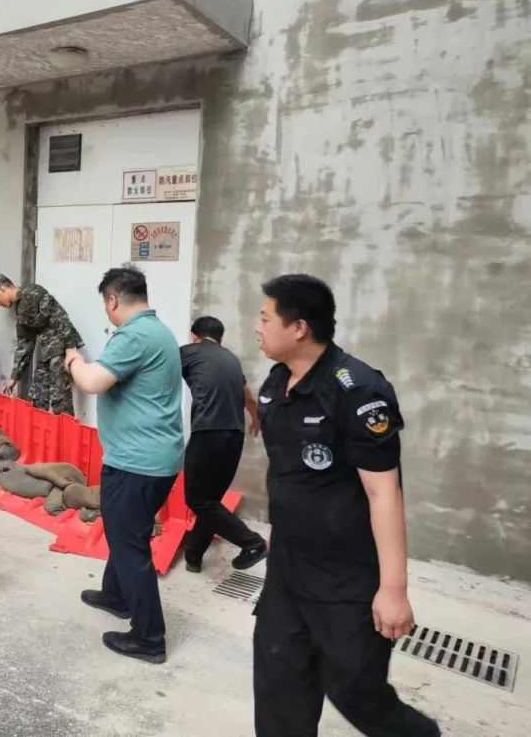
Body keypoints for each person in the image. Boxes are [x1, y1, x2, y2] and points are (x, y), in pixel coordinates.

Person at [252, 274, 439, 737]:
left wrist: (393, 589)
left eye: (265, 318)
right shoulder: (277, 383)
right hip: (287, 575)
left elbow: (383, 493)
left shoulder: (358, 391)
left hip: (345, 581)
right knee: (279, 692)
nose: (257, 327)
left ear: (298, 327)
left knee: (359, 696)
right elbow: (290, 479)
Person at [63, 266, 183, 664]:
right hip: (149, 458)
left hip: (137, 462)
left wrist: (74, 361)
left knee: (129, 544)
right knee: (125, 531)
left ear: (113, 300)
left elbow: (92, 381)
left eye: (105, 304)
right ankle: (116, 595)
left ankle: (150, 638)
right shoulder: (158, 331)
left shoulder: (135, 335)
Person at [179, 315, 267, 573]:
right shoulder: (231, 359)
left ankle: (252, 543)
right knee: (211, 500)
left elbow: (157, 368)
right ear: (221, 338)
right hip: (234, 435)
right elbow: (246, 395)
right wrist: (255, 417)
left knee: (197, 499)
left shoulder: (189, 352)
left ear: (194, 336)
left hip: (208, 432)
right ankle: (194, 557)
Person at [0, 274, 81, 415]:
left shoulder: (33, 292)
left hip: (61, 347)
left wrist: (70, 347)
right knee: (37, 397)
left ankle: (66, 429)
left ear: (1, 289)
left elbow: (59, 316)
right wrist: (14, 377)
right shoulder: (20, 311)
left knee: (60, 400)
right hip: (47, 352)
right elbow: (24, 344)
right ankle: (40, 429)